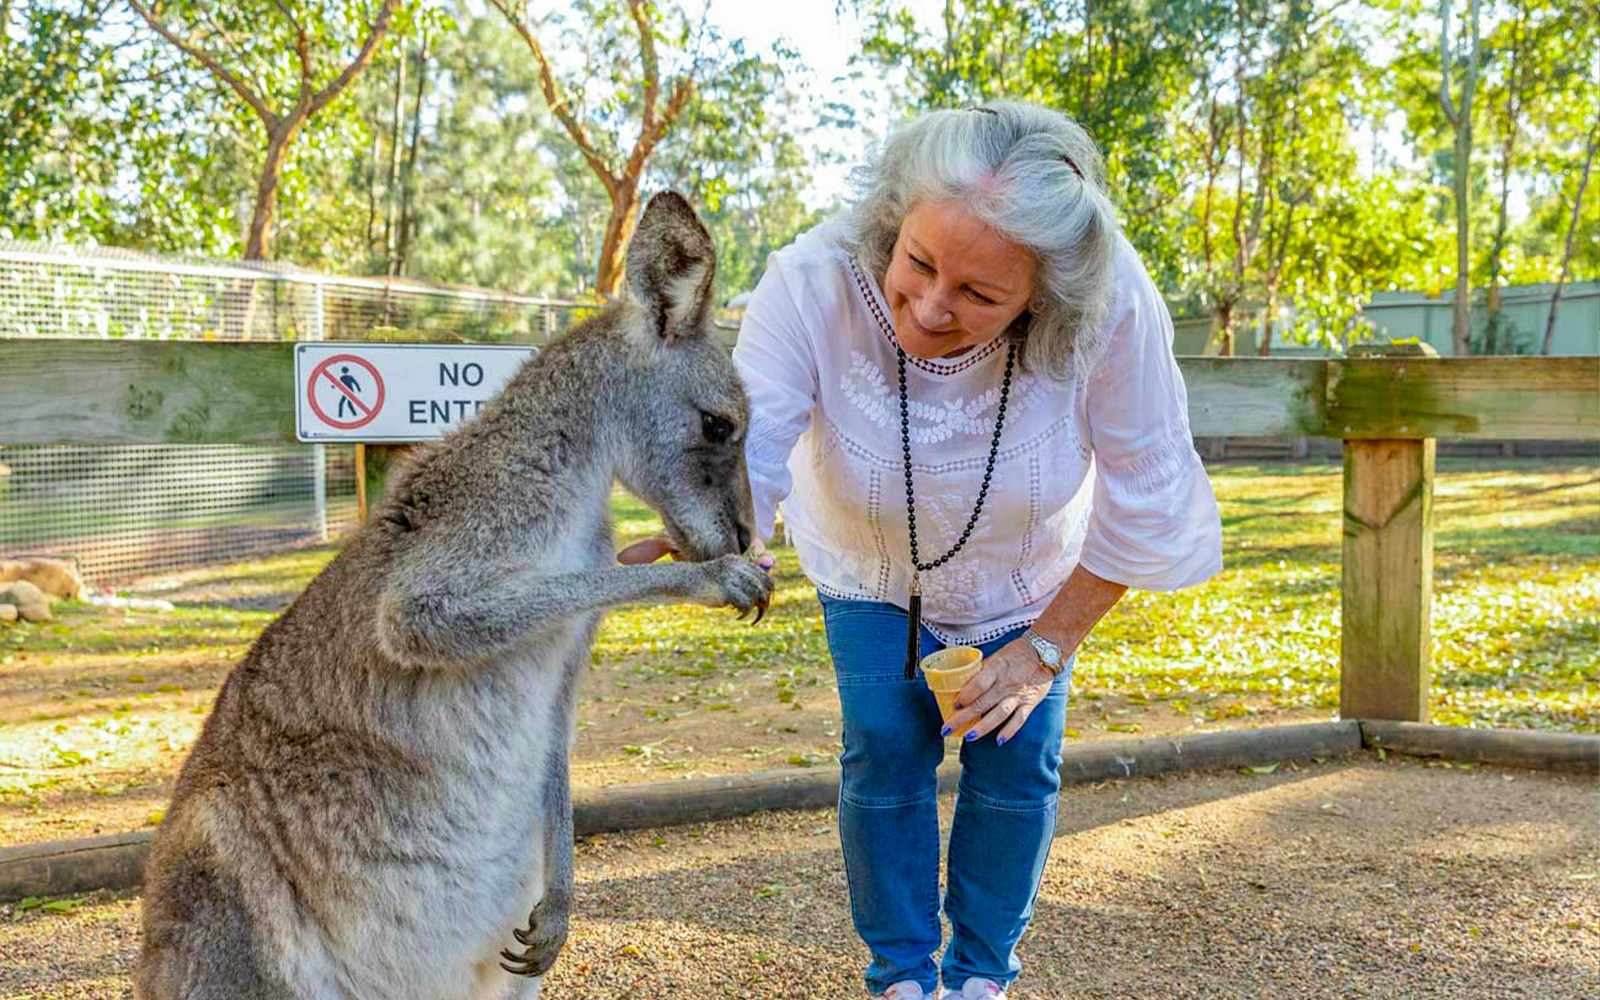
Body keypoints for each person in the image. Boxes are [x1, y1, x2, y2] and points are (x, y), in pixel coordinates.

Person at [629, 101, 1222, 999]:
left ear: (1043, 296)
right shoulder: (813, 276)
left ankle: (981, 976)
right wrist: (717, 535)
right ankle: (901, 977)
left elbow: (1148, 494)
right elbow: (755, 435)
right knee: (883, 743)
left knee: (1019, 757)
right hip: (868, 557)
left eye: (982, 294)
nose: (933, 305)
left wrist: (1043, 650)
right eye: (919, 263)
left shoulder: (1109, 300)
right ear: (893, 221)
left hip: (1027, 570)